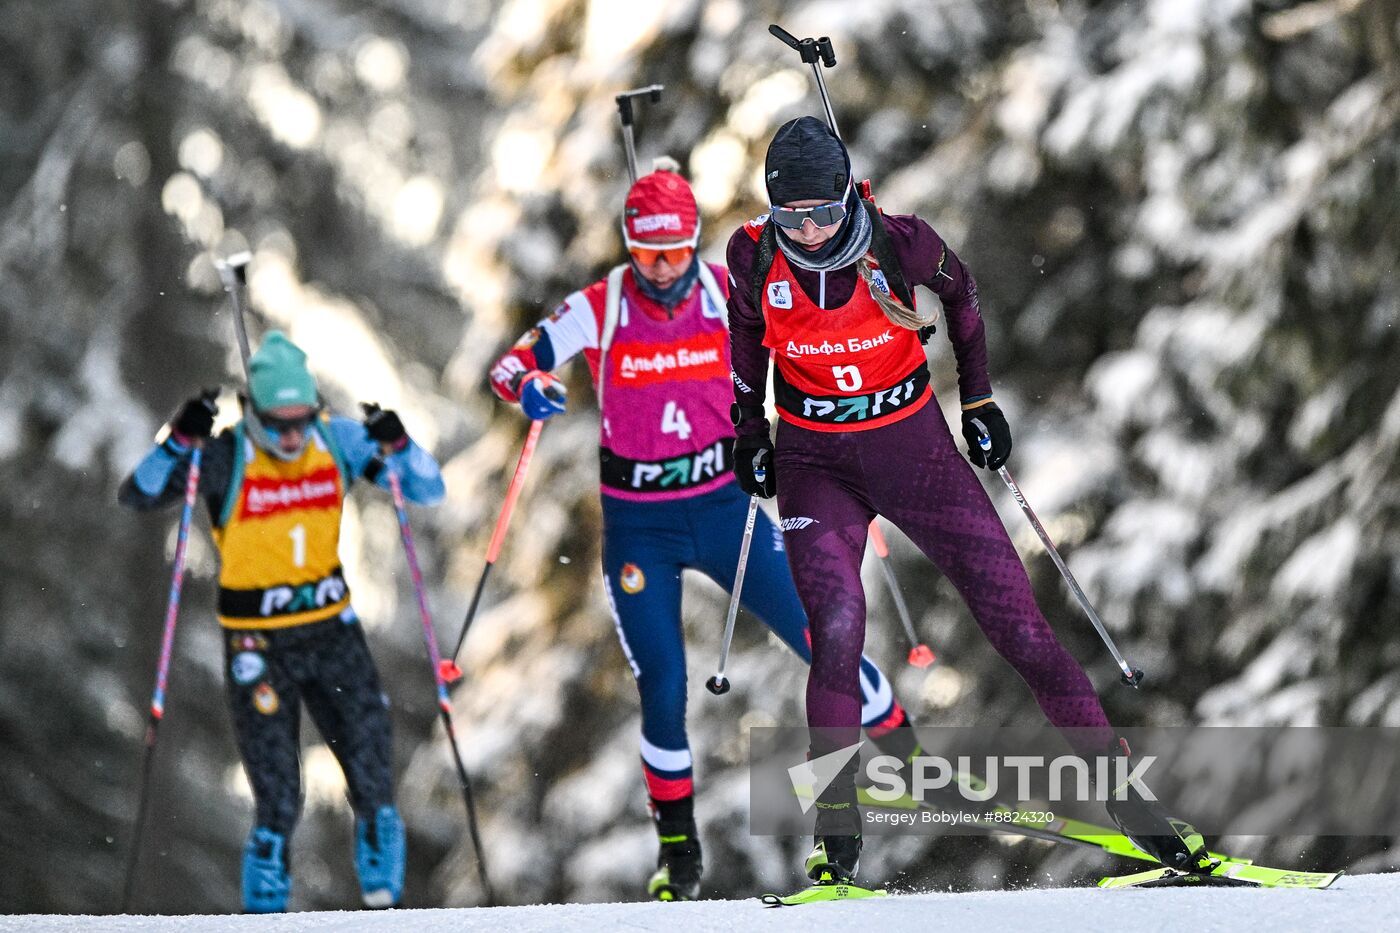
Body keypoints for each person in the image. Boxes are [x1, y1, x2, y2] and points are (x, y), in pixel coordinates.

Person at [725, 116, 1208, 887]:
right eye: (791, 216)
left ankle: (1136, 808)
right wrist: (748, 426)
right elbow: (745, 336)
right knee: (838, 628)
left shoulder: (900, 241)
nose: (808, 231)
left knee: (1018, 625)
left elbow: (964, 295)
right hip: (814, 460)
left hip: (914, 453)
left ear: (846, 196)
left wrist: (978, 402)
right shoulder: (752, 256)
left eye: (821, 212)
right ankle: (836, 837)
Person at [488, 160, 922, 901]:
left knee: (822, 631)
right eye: (647, 251)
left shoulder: (726, 288)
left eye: (676, 250)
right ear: (629, 244)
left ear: (692, 241)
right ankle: (680, 849)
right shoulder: (603, 303)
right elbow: (509, 366)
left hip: (725, 512)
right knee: (663, 682)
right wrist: (531, 385)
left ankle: (907, 752)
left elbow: (810, 328)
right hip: (640, 528)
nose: (662, 268)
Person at [119, 331, 446, 912]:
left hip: (331, 631)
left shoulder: (336, 440)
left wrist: (399, 443)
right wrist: (178, 438)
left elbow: (426, 485)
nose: (292, 436)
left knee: (372, 769)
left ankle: (382, 884)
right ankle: (267, 906)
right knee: (277, 796)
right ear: (251, 413)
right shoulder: (224, 456)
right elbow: (139, 493)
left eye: (303, 420)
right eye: (278, 424)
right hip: (256, 645)